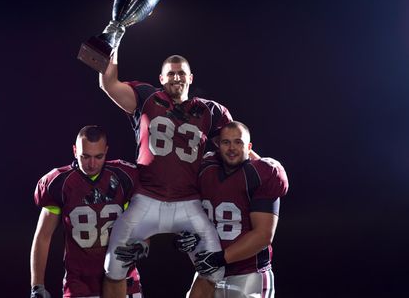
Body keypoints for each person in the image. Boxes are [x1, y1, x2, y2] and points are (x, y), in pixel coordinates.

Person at [99, 49, 233, 298]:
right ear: (161, 78)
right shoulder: (146, 98)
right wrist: (115, 42)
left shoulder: (210, 111)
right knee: (114, 267)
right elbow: (108, 83)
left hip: (188, 202)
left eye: (181, 73)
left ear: (191, 78)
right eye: (170, 73)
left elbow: (234, 145)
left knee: (214, 270)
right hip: (146, 198)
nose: (176, 78)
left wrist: (261, 161)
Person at [30, 125, 142, 298]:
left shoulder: (124, 177)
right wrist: (37, 286)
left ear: (106, 151)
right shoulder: (59, 183)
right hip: (80, 283)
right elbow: (43, 236)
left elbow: (142, 221)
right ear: (75, 151)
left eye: (98, 157)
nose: (92, 164)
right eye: (85, 156)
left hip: (123, 278)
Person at [180, 121, 289, 298]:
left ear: (249, 146)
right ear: (218, 145)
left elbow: (263, 236)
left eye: (238, 142)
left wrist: (219, 258)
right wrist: (186, 234)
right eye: (226, 142)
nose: (232, 148)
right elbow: (190, 212)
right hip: (209, 272)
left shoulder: (261, 174)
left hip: (248, 274)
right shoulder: (205, 168)